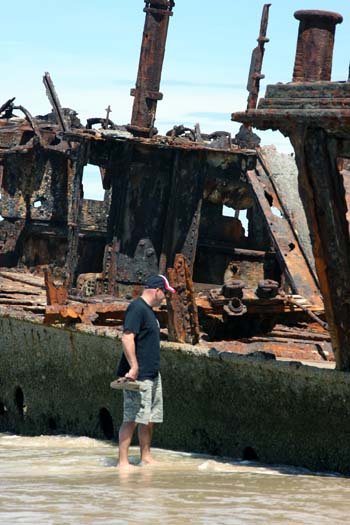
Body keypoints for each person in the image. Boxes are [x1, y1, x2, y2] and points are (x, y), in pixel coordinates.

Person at [116, 274, 175, 468]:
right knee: (131, 418)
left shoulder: (149, 312)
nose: (165, 298)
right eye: (165, 294)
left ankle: (145, 457)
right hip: (139, 376)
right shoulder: (137, 308)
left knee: (149, 419)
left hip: (152, 374)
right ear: (157, 290)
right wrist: (133, 367)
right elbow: (127, 337)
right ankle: (123, 462)